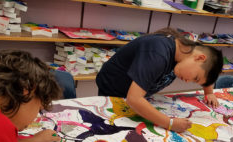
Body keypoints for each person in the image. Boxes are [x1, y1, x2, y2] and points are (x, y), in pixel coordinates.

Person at [96, 28, 224, 132]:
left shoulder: (188, 51)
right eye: (195, 78)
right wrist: (169, 123)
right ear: (199, 58)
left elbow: (209, 63)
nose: (188, 81)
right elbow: (134, 99)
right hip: (114, 93)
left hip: (136, 95)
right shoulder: (158, 54)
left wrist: (209, 92)